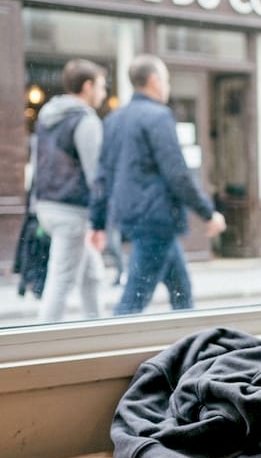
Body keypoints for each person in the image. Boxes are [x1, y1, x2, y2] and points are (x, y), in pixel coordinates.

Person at [90, 55, 226, 315]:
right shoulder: (158, 117)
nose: (168, 86)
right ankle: (112, 345)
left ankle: (191, 346)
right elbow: (177, 173)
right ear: (153, 81)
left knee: (181, 291)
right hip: (155, 218)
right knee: (133, 300)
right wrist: (208, 213)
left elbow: (102, 176)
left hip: (133, 216)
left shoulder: (114, 119)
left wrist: (97, 222)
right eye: (166, 80)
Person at [32, 59, 108, 322]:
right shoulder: (85, 120)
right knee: (61, 282)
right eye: (101, 86)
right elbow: (96, 176)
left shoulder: (47, 116)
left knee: (92, 275)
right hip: (71, 211)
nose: (103, 92)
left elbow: (38, 163)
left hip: (47, 205)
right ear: (87, 87)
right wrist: (100, 223)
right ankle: (39, 345)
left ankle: (96, 330)